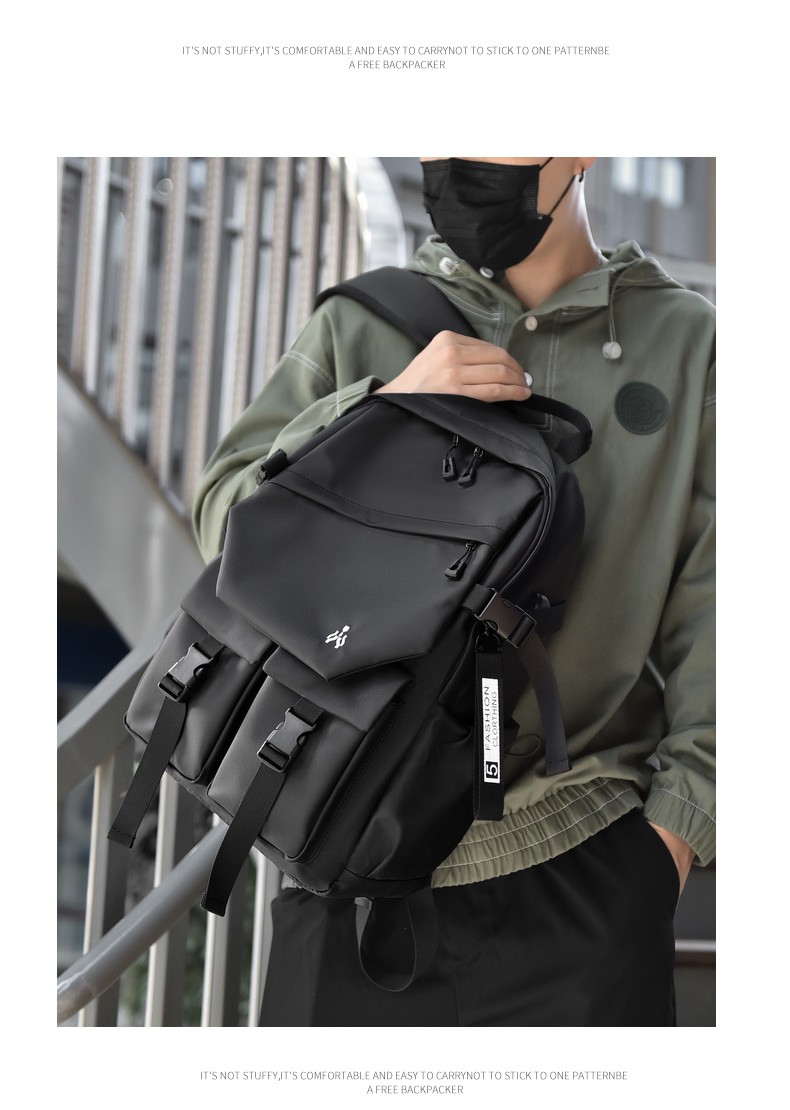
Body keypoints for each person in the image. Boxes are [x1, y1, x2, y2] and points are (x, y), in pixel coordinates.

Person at [192, 157, 715, 1027]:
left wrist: (673, 839)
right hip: (342, 866)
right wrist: (382, 408)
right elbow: (226, 522)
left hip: (584, 870)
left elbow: (722, 613)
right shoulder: (363, 322)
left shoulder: (688, 345)